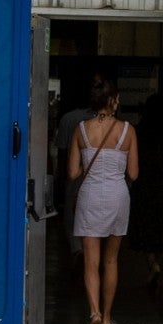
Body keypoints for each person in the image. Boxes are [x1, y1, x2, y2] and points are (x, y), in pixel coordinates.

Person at [69, 77, 138, 324]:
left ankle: (94, 315)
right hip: (117, 196)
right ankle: (108, 318)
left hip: (90, 196)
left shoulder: (81, 130)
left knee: (91, 260)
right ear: (112, 101)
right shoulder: (127, 130)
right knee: (111, 259)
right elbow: (134, 172)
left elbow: (73, 172)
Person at [129, 92, 163, 290]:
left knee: (145, 229)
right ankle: (155, 261)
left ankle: (151, 262)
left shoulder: (138, 131)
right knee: (159, 228)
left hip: (142, 185)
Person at [55, 77, 99, 264]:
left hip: (75, 175)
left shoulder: (69, 119)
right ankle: (92, 253)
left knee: (72, 215)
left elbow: (63, 152)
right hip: (100, 177)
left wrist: (59, 179)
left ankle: (77, 249)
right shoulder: (109, 123)